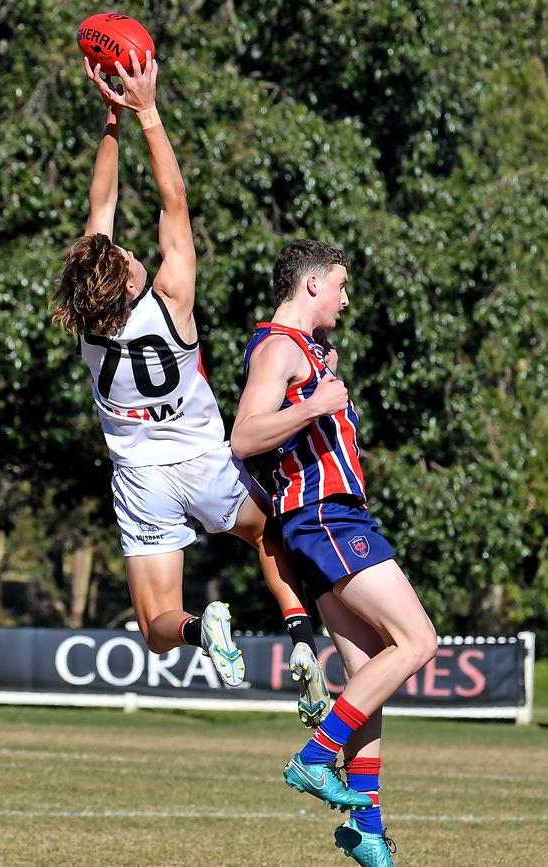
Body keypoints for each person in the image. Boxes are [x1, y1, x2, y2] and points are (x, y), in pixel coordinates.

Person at [51, 54, 333, 720]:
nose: (127, 251)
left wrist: (109, 124)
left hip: (140, 477)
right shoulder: (171, 298)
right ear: (127, 282)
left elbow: (102, 207)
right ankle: (300, 638)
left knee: (156, 626)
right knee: (272, 536)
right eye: (123, 257)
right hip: (207, 462)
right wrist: (143, 111)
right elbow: (171, 201)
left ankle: (201, 630)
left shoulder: (91, 326)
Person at [231, 239, 438, 866]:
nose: (345, 299)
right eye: (341, 286)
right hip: (327, 518)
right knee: (418, 642)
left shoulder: (305, 351)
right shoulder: (278, 348)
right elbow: (243, 435)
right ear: (313, 283)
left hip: (319, 521)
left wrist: (321, 387)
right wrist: (319, 401)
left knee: (368, 672)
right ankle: (316, 755)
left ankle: (365, 825)